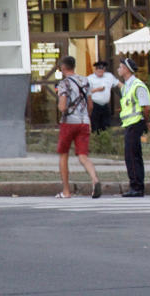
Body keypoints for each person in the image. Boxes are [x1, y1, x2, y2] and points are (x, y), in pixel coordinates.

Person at [55, 56, 101, 199]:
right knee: (83, 155)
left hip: (69, 122)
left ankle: (66, 191)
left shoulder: (64, 84)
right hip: (84, 122)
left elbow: (62, 106)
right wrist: (86, 117)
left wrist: (59, 106)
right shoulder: (85, 81)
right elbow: (90, 105)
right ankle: (95, 180)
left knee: (64, 155)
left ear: (63, 68)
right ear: (74, 66)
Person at [117, 57, 150, 197]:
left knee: (133, 156)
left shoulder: (137, 85)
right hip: (130, 124)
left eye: (120, 67)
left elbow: (146, 106)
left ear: (126, 69)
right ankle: (135, 186)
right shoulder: (127, 85)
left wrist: (146, 122)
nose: (118, 69)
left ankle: (137, 187)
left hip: (136, 123)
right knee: (130, 156)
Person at [88, 60, 120, 133]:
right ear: (95, 69)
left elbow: (118, 83)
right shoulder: (90, 78)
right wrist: (96, 90)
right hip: (95, 105)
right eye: (99, 69)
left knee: (106, 126)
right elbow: (86, 92)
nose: (100, 71)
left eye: (102, 69)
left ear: (104, 69)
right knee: (95, 127)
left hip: (105, 106)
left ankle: (105, 141)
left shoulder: (109, 76)